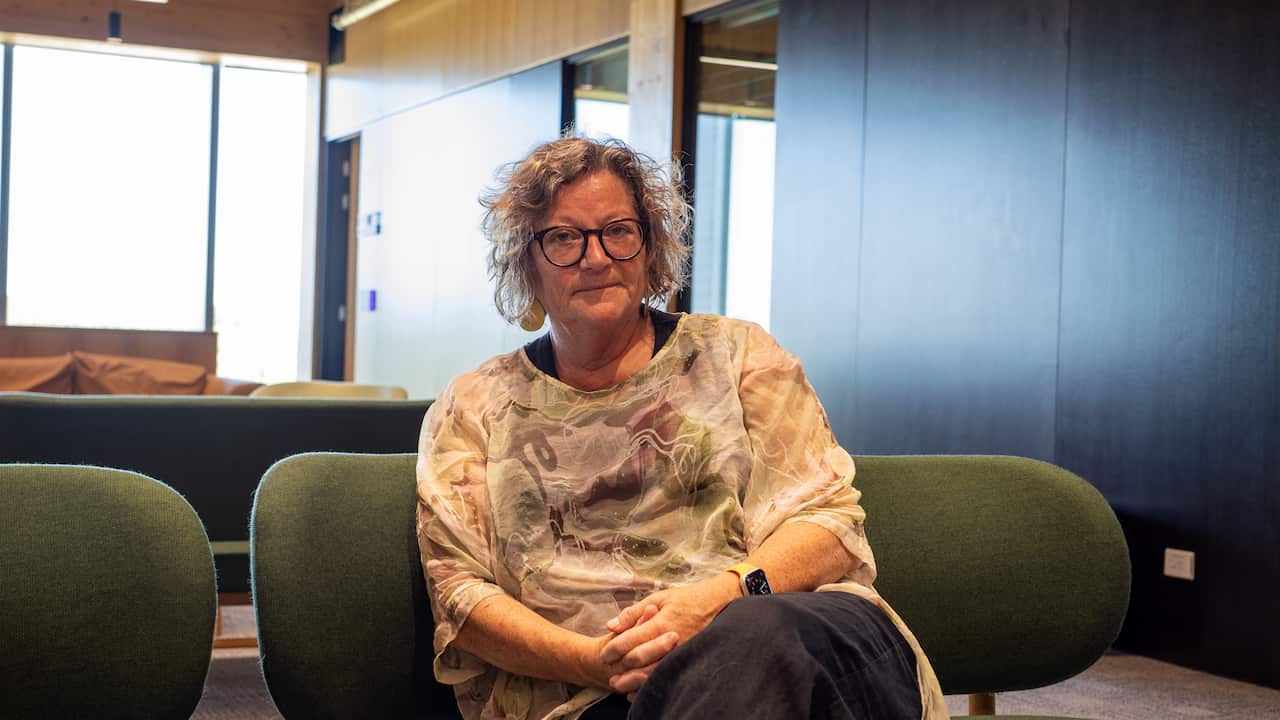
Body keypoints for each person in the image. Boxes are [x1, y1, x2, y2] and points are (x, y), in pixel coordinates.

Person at [416, 136, 948, 720]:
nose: (596, 257)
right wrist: (599, 660)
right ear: (527, 263)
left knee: (757, 639)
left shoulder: (737, 354)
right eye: (564, 238)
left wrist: (721, 599)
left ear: (649, 250)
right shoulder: (474, 405)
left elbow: (825, 525)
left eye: (618, 230)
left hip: (790, 625)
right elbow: (460, 595)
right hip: (596, 689)